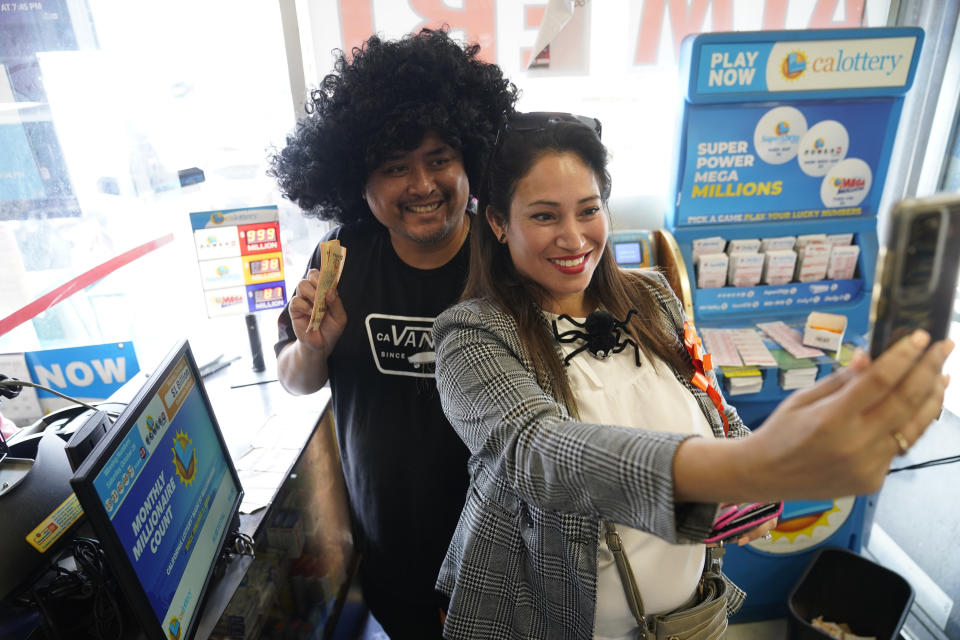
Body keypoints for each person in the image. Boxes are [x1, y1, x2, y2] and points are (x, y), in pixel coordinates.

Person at [431, 112, 952, 640]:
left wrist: (761, 480)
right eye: (544, 216)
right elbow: (540, 454)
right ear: (498, 222)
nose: (574, 237)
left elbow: (715, 411)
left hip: (687, 619)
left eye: (589, 210)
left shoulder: (652, 297)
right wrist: (749, 465)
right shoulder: (471, 334)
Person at [268, 28, 517, 638]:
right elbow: (297, 380)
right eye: (395, 168)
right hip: (390, 548)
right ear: (359, 181)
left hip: (503, 547)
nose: (423, 185)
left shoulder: (508, 256)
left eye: (440, 160)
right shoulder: (341, 256)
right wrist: (313, 346)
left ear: (472, 159)